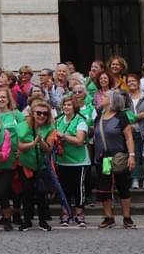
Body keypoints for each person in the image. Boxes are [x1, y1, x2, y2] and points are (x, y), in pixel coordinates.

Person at [93, 90, 136, 229]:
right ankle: (108, 217)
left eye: (105, 96)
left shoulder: (121, 116)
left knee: (123, 188)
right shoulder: (99, 116)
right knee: (104, 190)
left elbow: (129, 137)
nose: (102, 97)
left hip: (119, 158)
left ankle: (127, 218)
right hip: (102, 158)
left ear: (112, 100)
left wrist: (131, 155)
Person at [16, 99, 54, 231]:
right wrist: (32, 144)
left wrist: (40, 140)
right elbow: (19, 145)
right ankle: (27, 221)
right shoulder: (22, 126)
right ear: (33, 113)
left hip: (41, 165)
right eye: (39, 113)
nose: (42, 116)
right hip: (26, 164)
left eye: (45, 113)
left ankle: (43, 221)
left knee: (41, 193)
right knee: (26, 193)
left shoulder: (50, 128)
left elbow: (48, 148)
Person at [55, 97, 90, 227]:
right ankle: (66, 213)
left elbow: (80, 140)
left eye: (69, 105)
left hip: (78, 161)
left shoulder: (80, 121)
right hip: (63, 160)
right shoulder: (58, 120)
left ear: (74, 107)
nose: (66, 107)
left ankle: (80, 214)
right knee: (64, 189)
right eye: (64, 105)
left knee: (78, 189)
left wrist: (63, 136)